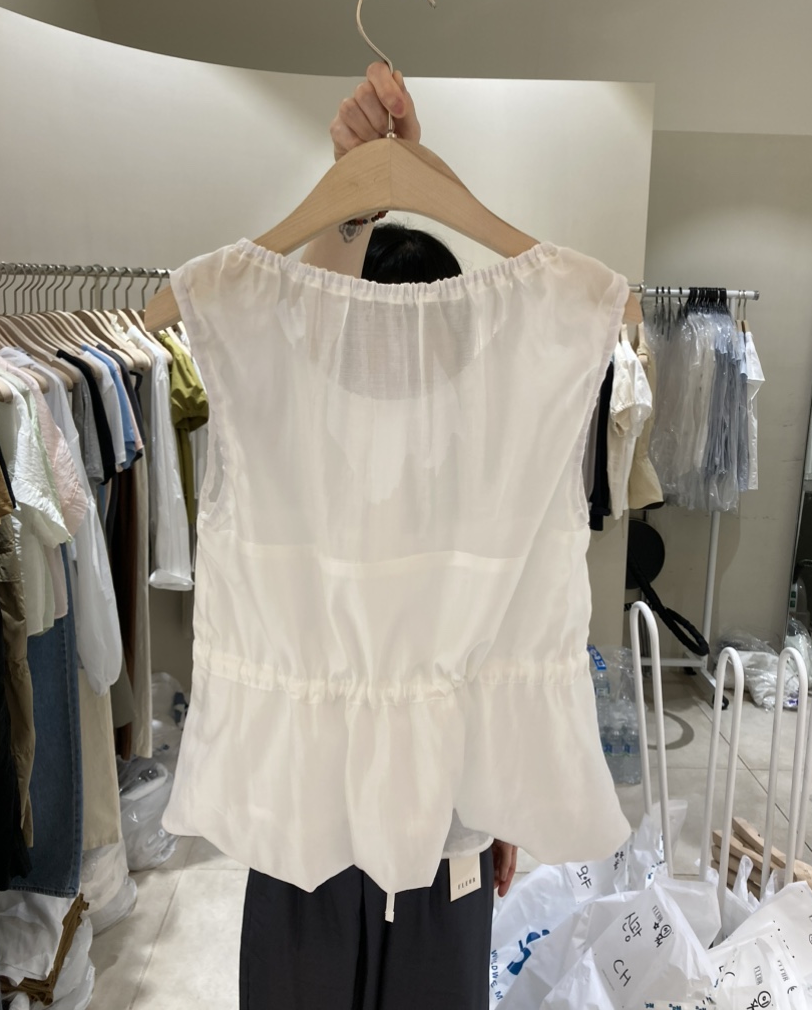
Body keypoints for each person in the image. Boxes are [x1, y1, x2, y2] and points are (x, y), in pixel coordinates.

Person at [238, 63, 518, 1010]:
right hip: (307, 822)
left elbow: (506, 650)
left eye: (430, 342)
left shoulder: (479, 473)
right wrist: (353, 204)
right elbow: (297, 357)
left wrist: (505, 797)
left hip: (448, 823)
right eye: (375, 342)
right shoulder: (300, 455)